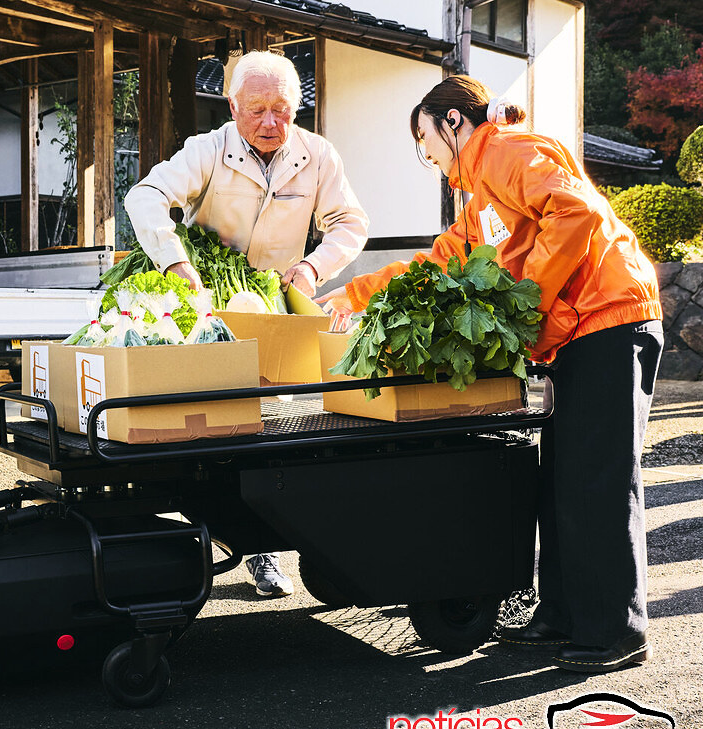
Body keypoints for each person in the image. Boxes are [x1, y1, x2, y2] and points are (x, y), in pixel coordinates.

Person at [317, 75, 662, 673]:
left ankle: (615, 631)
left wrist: (526, 303)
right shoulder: (481, 199)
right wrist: (354, 294)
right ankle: (562, 616)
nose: (426, 157)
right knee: (563, 481)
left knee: (598, 481)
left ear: (453, 122)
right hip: (578, 330)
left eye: (425, 139)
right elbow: (440, 261)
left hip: (611, 320)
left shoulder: (505, 149)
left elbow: (575, 213)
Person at [125, 50, 369, 598]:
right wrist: (176, 262)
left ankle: (262, 550)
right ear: (232, 106)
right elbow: (144, 196)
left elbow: (352, 223)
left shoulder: (317, 155)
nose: (270, 123)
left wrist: (311, 267)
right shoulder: (208, 150)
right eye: (256, 109)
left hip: (270, 310)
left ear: (297, 106)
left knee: (265, 436)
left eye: (282, 110)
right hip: (204, 305)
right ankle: (196, 540)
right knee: (206, 430)